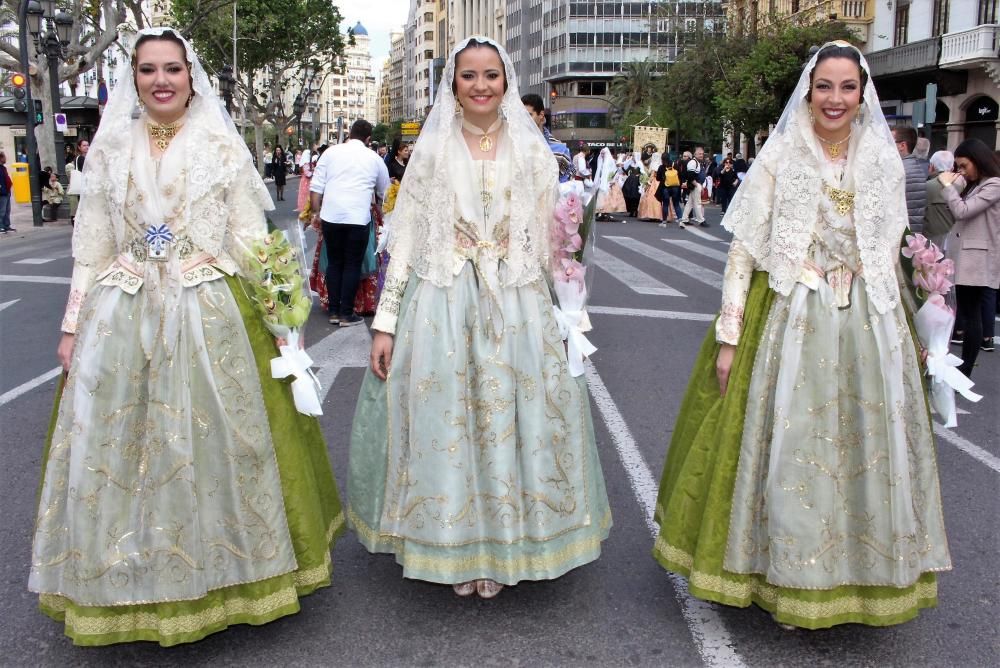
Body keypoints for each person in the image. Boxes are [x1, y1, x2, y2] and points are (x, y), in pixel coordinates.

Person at [30, 27, 343, 646]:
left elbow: (250, 236)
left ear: (191, 77)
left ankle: (226, 574)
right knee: (123, 451)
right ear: (135, 79)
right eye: (149, 70)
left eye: (173, 68)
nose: (162, 80)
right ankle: (133, 575)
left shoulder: (220, 146)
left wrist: (284, 319)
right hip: (123, 310)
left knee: (220, 443)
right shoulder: (110, 147)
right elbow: (90, 244)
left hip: (209, 309)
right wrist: (72, 326)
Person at [652, 41, 950, 629]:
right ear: (808, 93)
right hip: (792, 312)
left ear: (862, 93)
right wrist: (731, 333)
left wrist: (917, 328)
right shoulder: (781, 154)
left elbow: (893, 254)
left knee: (865, 449)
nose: (835, 99)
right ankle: (788, 575)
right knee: (793, 449)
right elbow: (744, 249)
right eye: (824, 87)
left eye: (846, 87)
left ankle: (854, 575)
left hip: (869, 323)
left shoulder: (882, 160)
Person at [349, 35, 611, 601]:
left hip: (517, 303)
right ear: (453, 84)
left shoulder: (534, 151)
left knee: (515, 424)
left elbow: (554, 245)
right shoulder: (434, 152)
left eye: (491, 74)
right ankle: (454, 544)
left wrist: (569, 310)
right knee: (450, 423)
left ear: (507, 81)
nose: (481, 85)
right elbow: (410, 239)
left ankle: (508, 543)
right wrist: (386, 321)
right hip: (442, 301)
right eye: (469, 75)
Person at [309, 119, 389, 326]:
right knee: (352, 264)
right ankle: (346, 313)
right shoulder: (374, 158)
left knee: (335, 263)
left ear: (349, 133)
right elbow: (385, 193)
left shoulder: (330, 153)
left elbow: (316, 187)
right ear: (368, 139)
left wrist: (316, 213)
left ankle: (334, 311)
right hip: (358, 218)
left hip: (331, 217)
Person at [938, 138, 1000, 368]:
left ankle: (966, 368)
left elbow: (963, 211)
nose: (962, 170)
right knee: (965, 311)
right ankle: (964, 366)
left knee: (971, 314)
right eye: (958, 166)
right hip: (966, 255)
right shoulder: (977, 184)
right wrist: (954, 185)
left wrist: (947, 187)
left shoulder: (994, 184)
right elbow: (954, 210)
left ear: (978, 160)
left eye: (964, 165)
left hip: (977, 258)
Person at [522, 93, 573, 182]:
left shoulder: (561, 150)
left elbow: (567, 189)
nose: (524, 120)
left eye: (529, 115)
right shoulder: (514, 147)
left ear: (541, 115)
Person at [894, 125, 928, 230]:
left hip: (902, 234)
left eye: (889, 142)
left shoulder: (899, 171)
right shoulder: (914, 167)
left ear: (902, 145)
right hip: (909, 233)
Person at [924, 150, 957, 251]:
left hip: (930, 243)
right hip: (955, 242)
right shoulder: (962, 186)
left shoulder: (926, 186)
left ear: (932, 166)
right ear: (952, 168)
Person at [678, 146, 706, 228]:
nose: (701, 155)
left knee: (690, 203)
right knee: (697, 203)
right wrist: (697, 185)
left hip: (696, 185)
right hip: (695, 185)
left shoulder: (697, 162)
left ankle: (684, 219)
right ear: (695, 154)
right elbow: (690, 176)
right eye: (699, 154)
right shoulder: (693, 162)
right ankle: (701, 220)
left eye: (702, 154)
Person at [638, 146, 663, 222]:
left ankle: (652, 215)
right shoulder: (661, 165)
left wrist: (648, 184)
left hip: (654, 183)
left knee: (651, 198)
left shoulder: (654, 165)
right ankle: (660, 215)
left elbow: (652, 176)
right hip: (660, 183)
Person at [66, 138, 89, 224]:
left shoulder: (79, 158)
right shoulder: (81, 158)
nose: (86, 147)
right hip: (82, 185)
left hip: (80, 186)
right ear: (79, 147)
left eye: (87, 145)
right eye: (84, 145)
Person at [656, 152, 682, 225]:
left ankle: (664, 222)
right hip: (675, 187)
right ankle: (680, 220)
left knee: (665, 204)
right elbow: (680, 175)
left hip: (665, 188)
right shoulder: (675, 165)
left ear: (662, 159)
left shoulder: (661, 167)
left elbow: (658, 178)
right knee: (676, 204)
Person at [0, 151, 12, 233]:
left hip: (7, 192)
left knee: (7, 210)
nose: (5, 158)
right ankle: (1, 226)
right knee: (2, 211)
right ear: (0, 158)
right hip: (2, 192)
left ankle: (6, 226)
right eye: (4, 157)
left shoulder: (3, 167)